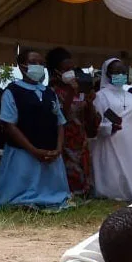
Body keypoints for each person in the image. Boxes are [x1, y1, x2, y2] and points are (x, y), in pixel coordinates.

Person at [0, 48, 70, 209]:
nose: (38, 67)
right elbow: (9, 125)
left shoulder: (49, 92)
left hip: (50, 153)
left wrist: (58, 148)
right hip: (23, 153)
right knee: (20, 194)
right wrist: (33, 150)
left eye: (41, 64)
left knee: (53, 196)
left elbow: (60, 122)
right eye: (33, 63)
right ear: (21, 66)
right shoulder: (12, 91)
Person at [91, 58, 132, 202]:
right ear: (107, 73)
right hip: (108, 144)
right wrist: (109, 128)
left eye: (123, 72)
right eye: (116, 72)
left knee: (130, 185)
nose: (120, 74)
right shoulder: (100, 96)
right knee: (110, 175)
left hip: (129, 147)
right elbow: (95, 125)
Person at [47, 47, 95, 197]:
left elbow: (90, 119)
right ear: (56, 71)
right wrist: (70, 93)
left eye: (72, 68)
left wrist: (90, 103)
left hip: (80, 140)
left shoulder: (80, 89)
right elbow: (61, 116)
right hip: (63, 140)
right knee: (68, 171)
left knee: (83, 168)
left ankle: (84, 193)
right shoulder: (51, 92)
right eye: (66, 69)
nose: (71, 72)